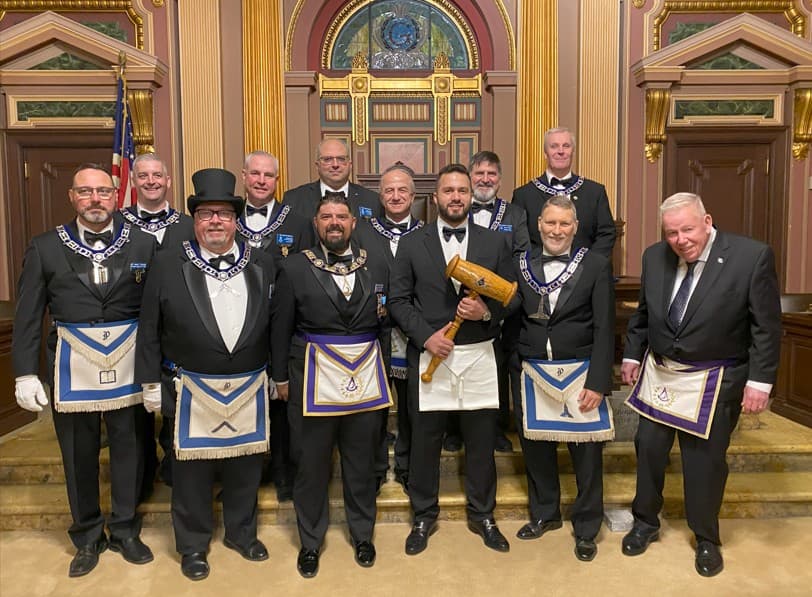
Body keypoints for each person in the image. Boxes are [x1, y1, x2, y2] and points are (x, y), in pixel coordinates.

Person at [621, 192, 781, 577]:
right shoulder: (653, 257)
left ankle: (706, 538)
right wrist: (631, 353)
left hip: (716, 377)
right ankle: (645, 521)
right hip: (662, 374)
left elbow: (766, 327)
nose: (681, 240)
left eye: (688, 229)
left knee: (704, 463)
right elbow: (643, 314)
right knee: (648, 449)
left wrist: (760, 381)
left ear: (707, 221)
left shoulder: (750, 257)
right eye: (672, 232)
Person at [12, 163, 156, 577]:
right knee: (78, 454)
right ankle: (88, 535)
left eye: (104, 192)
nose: (96, 200)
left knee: (130, 449)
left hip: (129, 362)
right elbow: (27, 316)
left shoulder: (144, 244)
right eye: (86, 192)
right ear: (72, 197)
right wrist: (25, 372)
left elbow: (157, 311)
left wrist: (158, 372)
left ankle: (126, 529)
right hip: (72, 365)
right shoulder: (45, 247)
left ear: (116, 197)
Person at [135, 168, 276, 581]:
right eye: (206, 214)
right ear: (194, 221)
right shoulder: (167, 264)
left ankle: (241, 533)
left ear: (236, 220)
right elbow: (148, 327)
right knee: (190, 474)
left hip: (250, 384)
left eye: (224, 214)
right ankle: (193, 546)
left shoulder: (262, 262)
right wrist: (148, 383)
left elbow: (275, 319)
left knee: (245, 467)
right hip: (189, 386)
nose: (215, 221)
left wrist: (275, 371)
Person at [389, 163, 517, 556]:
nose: (457, 197)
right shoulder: (412, 243)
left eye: (462, 190)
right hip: (431, 354)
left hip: (479, 355)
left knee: (480, 443)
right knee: (425, 442)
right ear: (436, 197)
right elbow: (397, 300)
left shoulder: (495, 243)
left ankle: (483, 515)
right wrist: (426, 337)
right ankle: (424, 515)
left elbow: (513, 298)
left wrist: (488, 315)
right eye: (449, 190)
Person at [271, 192, 392, 578]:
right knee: (311, 465)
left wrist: (385, 372)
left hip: (364, 378)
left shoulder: (375, 265)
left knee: (361, 464)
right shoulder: (294, 268)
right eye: (327, 216)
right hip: (310, 378)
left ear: (354, 223)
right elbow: (280, 327)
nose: (334, 222)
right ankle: (310, 542)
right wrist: (281, 376)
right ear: (316, 223)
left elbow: (384, 324)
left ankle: (363, 535)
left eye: (341, 216)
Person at [510, 195, 615, 562]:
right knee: (536, 451)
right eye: (550, 223)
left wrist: (600, 382)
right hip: (532, 370)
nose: (557, 230)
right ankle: (545, 513)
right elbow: (510, 315)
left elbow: (605, 327)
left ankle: (587, 527)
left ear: (575, 227)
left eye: (564, 224)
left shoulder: (597, 264)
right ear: (539, 224)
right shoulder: (519, 264)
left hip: (581, 372)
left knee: (586, 457)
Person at [239, 150, 314, 502]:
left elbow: (309, 275)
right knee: (242, 403)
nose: (261, 181)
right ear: (244, 176)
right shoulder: (225, 218)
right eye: (255, 173)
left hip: (285, 325)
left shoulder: (298, 223)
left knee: (284, 406)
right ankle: (246, 479)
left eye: (268, 175)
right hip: (237, 327)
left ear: (277, 180)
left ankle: (285, 475)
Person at [122, 152, 194, 491]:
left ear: (168, 181)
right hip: (128, 332)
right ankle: (139, 478)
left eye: (157, 175)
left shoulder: (187, 224)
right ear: (133, 181)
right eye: (143, 175)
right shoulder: (118, 225)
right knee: (133, 415)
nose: (151, 181)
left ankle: (173, 468)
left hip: (178, 332)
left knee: (174, 408)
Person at [354, 164, 424, 491]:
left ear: (413, 196)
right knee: (374, 408)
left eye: (402, 191)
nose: (395, 196)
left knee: (413, 408)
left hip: (414, 335)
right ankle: (376, 467)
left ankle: (409, 466)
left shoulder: (427, 233)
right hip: (373, 333)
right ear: (380, 196)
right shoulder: (362, 231)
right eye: (389, 191)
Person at [465, 150, 531, 454]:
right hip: (463, 297)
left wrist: (502, 294)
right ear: (470, 177)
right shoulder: (457, 207)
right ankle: (456, 430)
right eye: (479, 173)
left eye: (491, 174)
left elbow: (522, 255)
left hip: (504, 300)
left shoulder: (515, 214)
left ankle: (497, 428)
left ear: (500, 180)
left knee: (499, 364)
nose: (485, 179)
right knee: (462, 365)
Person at [511, 127, 616, 257]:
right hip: (537, 272)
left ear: (573, 151)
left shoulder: (595, 192)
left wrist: (589, 266)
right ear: (545, 153)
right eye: (554, 146)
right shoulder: (524, 195)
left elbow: (606, 234)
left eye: (566, 146)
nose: (561, 151)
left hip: (585, 272)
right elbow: (519, 238)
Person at [282, 138, 379, 220]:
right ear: (317, 165)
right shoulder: (294, 199)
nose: (335, 165)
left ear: (350, 165)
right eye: (328, 159)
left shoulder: (372, 200)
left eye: (341, 159)